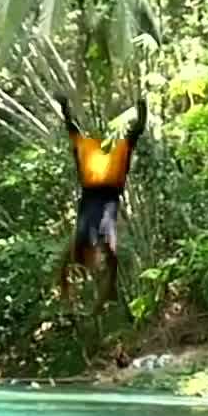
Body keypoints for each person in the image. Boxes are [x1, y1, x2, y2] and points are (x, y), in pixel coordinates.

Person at [56, 94, 149, 305]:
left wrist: (142, 109)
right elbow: (72, 128)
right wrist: (64, 107)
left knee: (106, 238)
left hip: (106, 198)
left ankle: (108, 288)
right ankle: (73, 285)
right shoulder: (88, 148)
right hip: (92, 197)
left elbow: (137, 130)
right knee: (85, 235)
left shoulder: (118, 148)